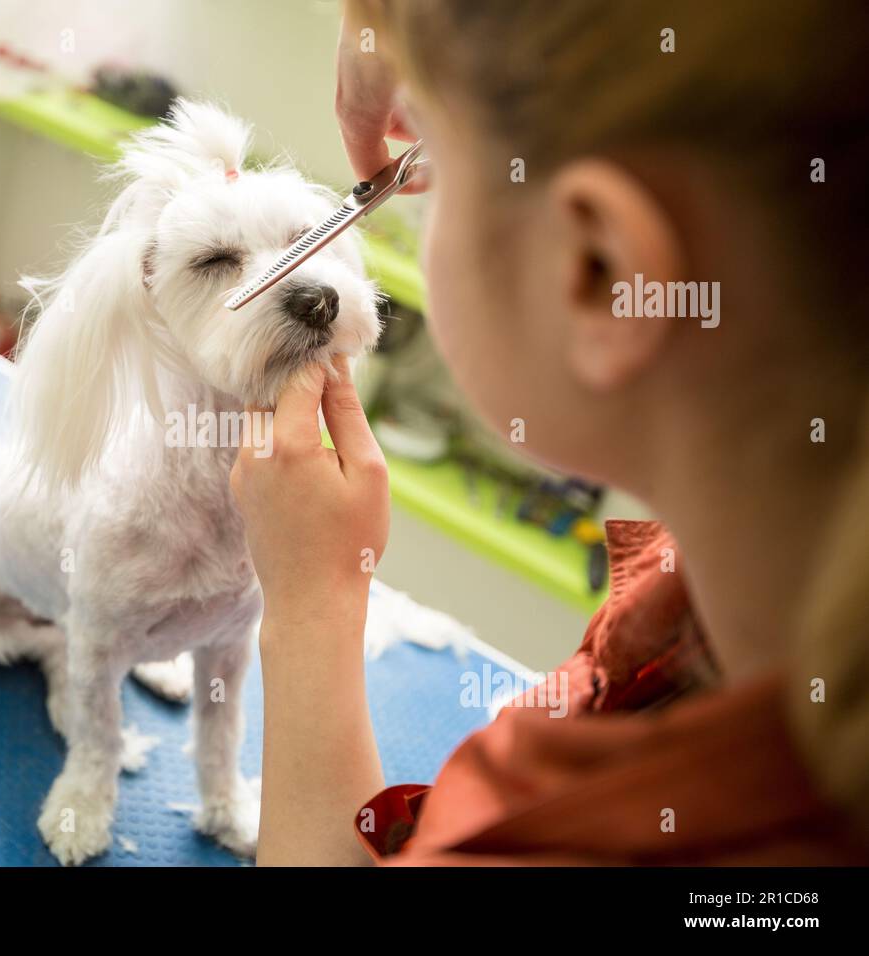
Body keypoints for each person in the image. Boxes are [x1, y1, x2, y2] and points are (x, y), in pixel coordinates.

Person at [230, 0, 869, 866]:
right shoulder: (712, 613)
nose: (409, 209)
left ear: (599, 273)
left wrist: (311, 603)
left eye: (435, 174)